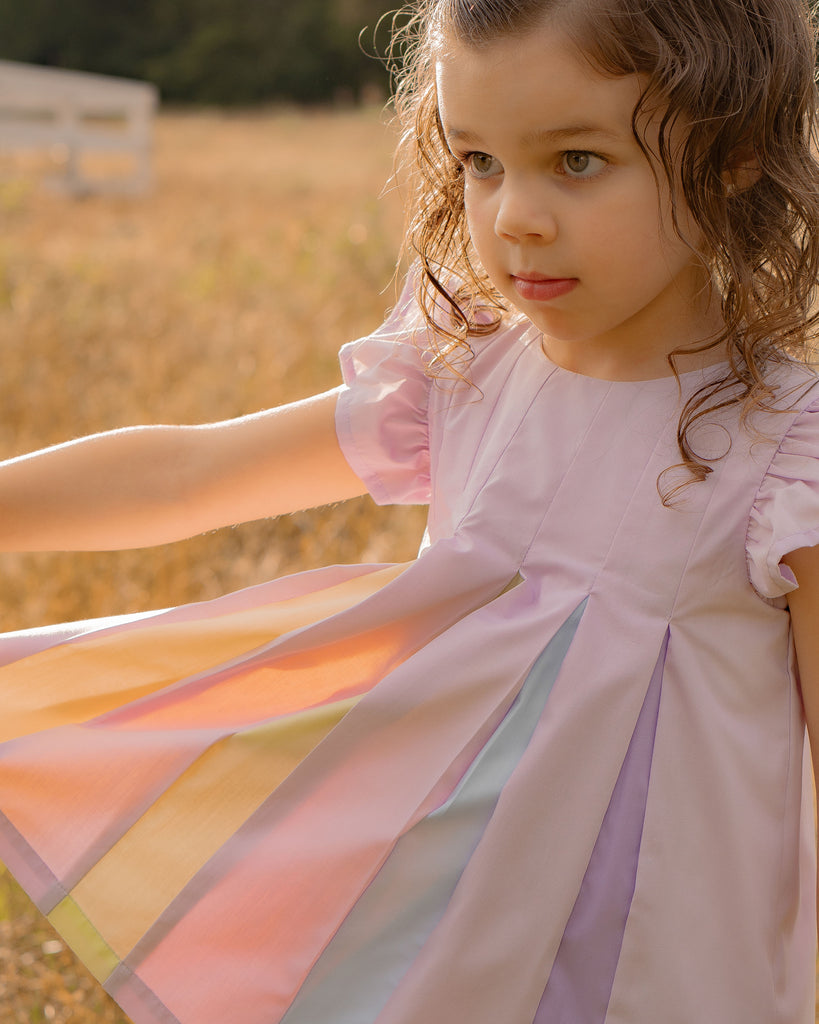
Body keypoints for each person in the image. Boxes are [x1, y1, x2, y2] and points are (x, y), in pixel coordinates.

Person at [1, 0, 818, 1021]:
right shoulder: (460, 372)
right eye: (479, 160)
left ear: (735, 154)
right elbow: (189, 475)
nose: (513, 214)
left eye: (576, 160)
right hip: (429, 953)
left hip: (673, 969)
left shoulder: (789, 458)